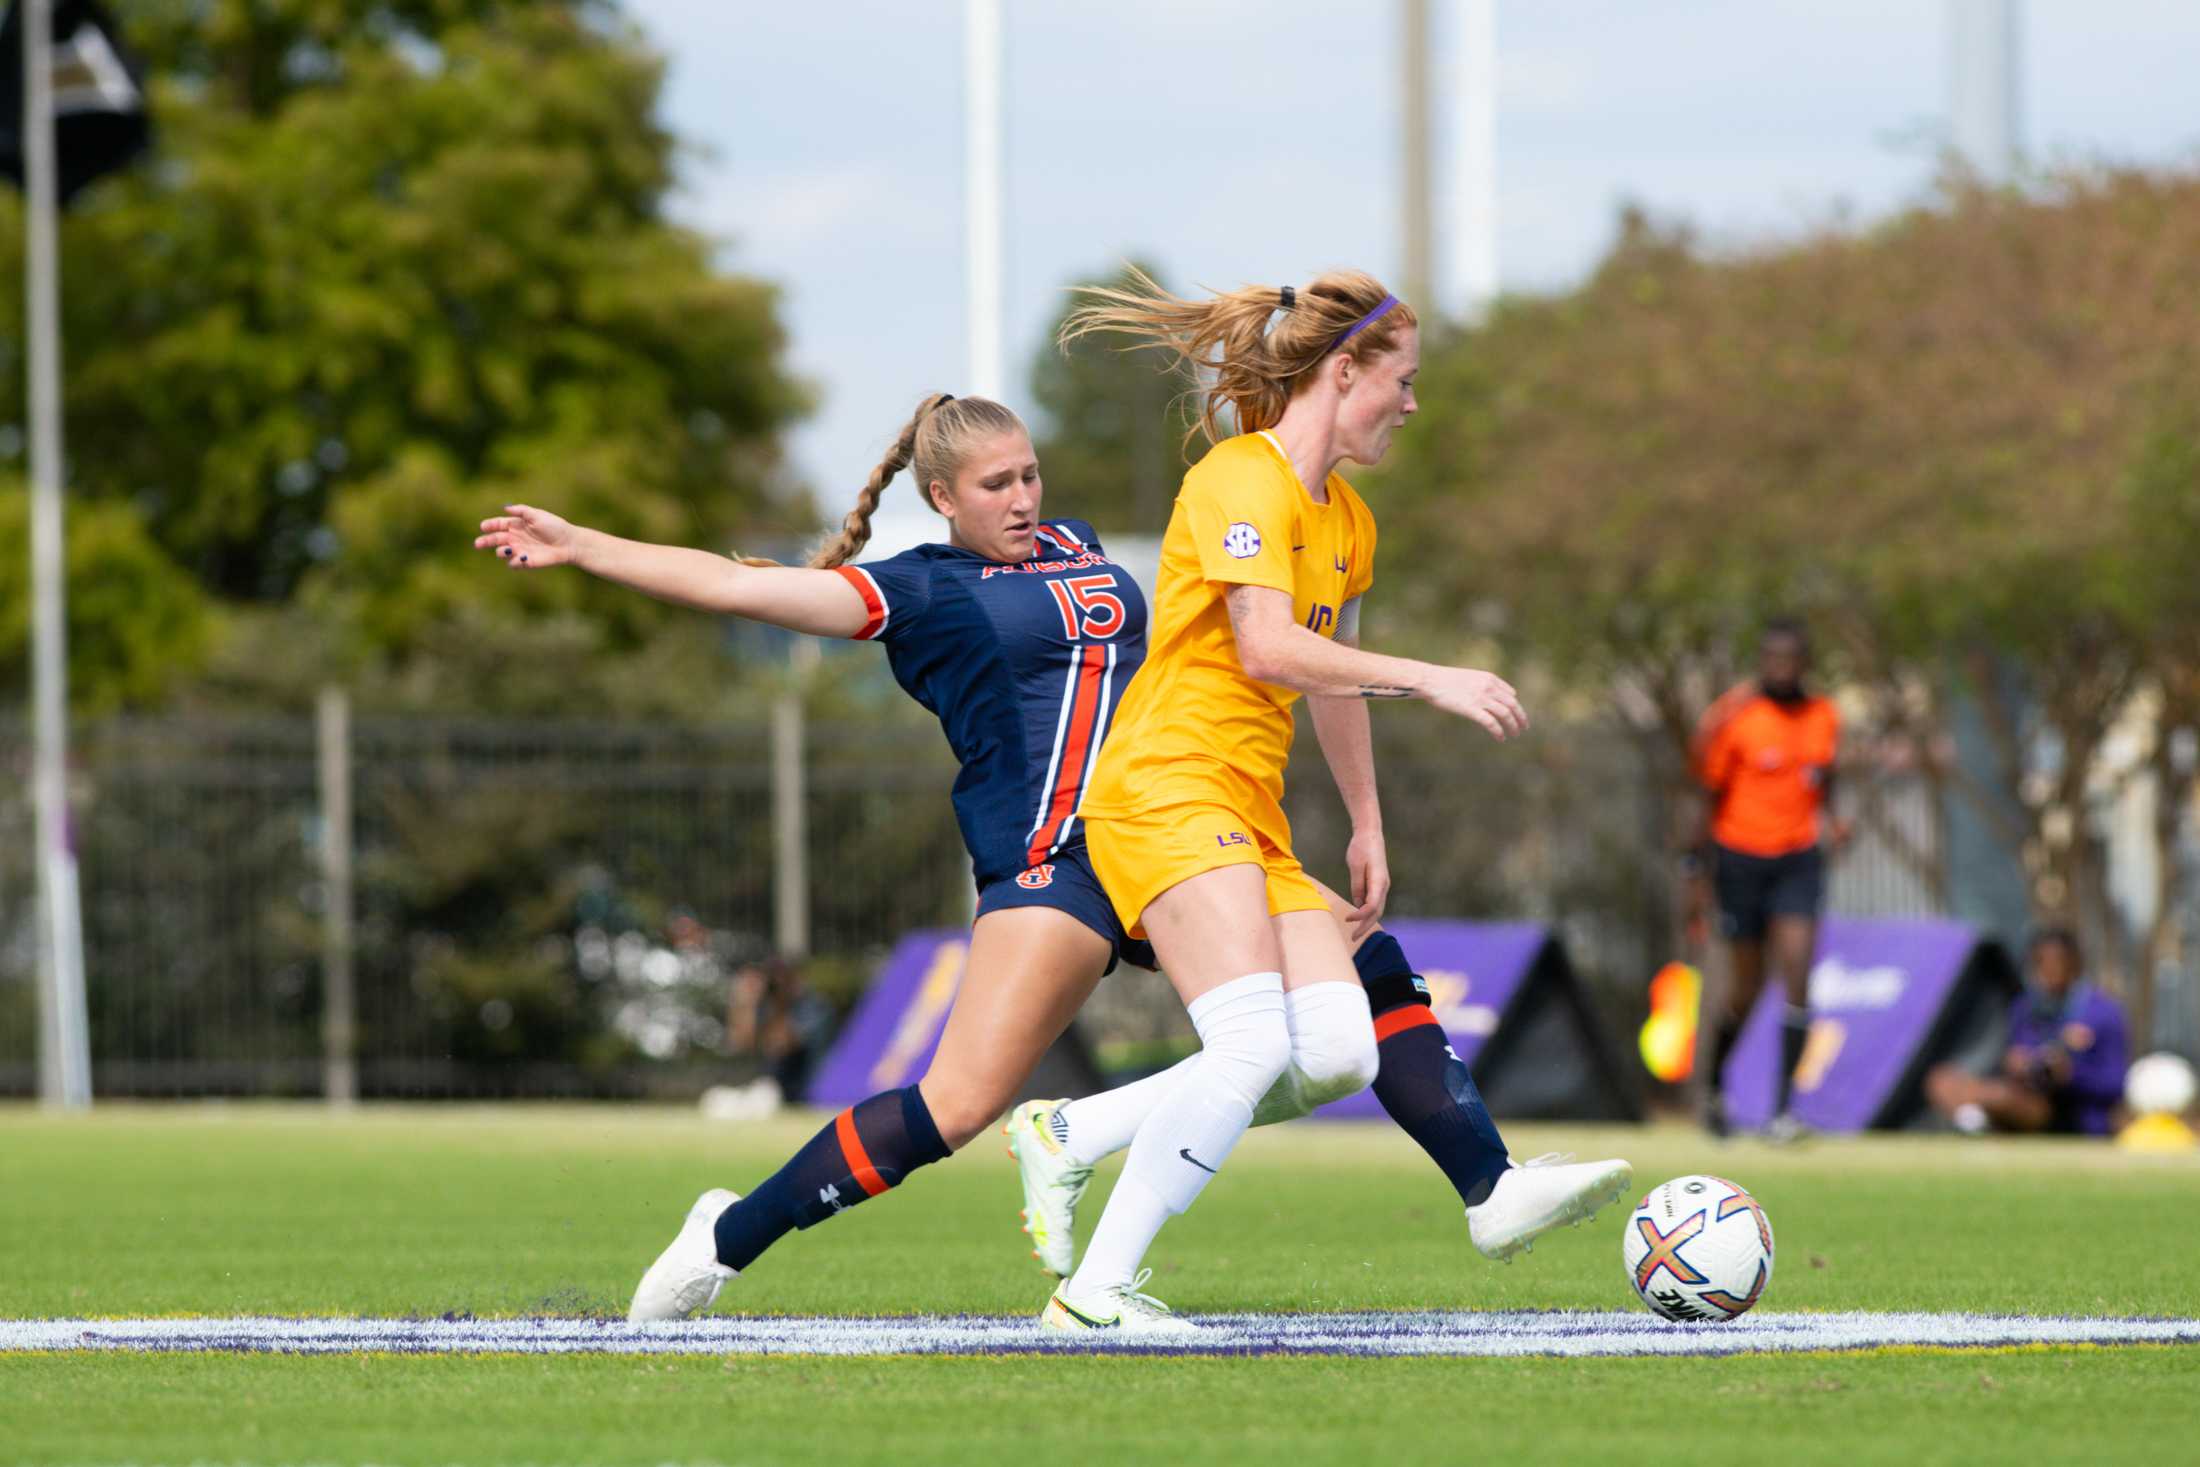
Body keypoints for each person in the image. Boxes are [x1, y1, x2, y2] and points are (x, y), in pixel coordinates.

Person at [1030, 269, 1632, 1335]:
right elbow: (1267, 645)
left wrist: (1366, 820)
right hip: (1162, 787)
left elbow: (1330, 670)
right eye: (1398, 380)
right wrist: (1437, 676)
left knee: (1343, 1050)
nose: (1409, 402)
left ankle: (1073, 1135)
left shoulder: (1347, 518)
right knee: (1254, 1044)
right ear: (1342, 369)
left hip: (1245, 810)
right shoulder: (1239, 478)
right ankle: (1095, 1294)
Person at [477, 393, 1167, 1322]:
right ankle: (727, 1237)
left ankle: (1103, 1237)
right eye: (994, 483)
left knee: (1337, 1000)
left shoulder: (1078, 544)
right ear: (942, 497)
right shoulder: (924, 587)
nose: (1022, 497)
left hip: (1161, 834)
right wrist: (585, 545)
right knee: (953, 1110)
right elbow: (736, 587)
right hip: (1053, 862)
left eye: (1029, 473)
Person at [1690, 618, 1849, 1141]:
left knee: (1798, 975)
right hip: (1739, 858)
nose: (1781, 668)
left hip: (1798, 858)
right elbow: (1706, 796)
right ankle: (1714, 1086)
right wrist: (1696, 869)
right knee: (1746, 988)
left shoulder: (1825, 715)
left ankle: (1783, 1112)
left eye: (1791, 659)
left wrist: (1836, 820)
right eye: (1772, 659)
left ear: (1805, 663)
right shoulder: (1737, 716)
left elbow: (1826, 780)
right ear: (1762, 662)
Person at [1926, 928, 2130, 1136]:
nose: (2049, 972)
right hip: (2022, 1095)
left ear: (2075, 965)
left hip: (2067, 1112)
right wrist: (2018, 1063)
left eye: (2057, 963)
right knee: (1941, 1080)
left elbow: (2116, 1084)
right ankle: (1973, 1121)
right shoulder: (2024, 1007)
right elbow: (2015, 1059)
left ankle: (1974, 1120)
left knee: (2001, 1097)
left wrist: (2071, 1075)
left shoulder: (2103, 1013)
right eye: (2042, 963)